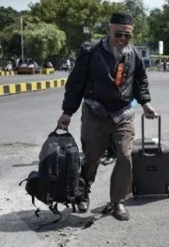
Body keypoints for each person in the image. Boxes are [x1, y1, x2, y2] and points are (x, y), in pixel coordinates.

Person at [57, 12, 158, 221]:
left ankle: (118, 201)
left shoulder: (133, 53)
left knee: (124, 155)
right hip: (96, 111)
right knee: (92, 156)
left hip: (123, 113)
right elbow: (75, 83)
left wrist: (145, 103)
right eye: (118, 34)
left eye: (127, 36)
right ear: (108, 30)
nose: (122, 39)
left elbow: (140, 81)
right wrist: (67, 112)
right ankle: (83, 192)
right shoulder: (90, 51)